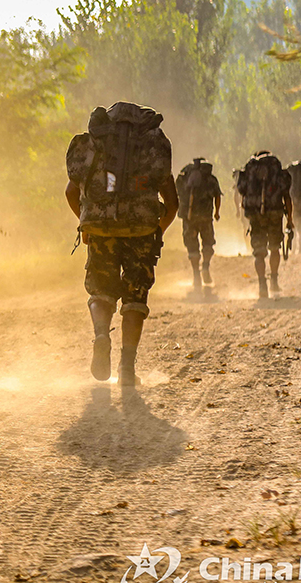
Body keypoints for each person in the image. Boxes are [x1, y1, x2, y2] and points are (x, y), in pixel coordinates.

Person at [66, 101, 178, 387]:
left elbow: (70, 191)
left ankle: (101, 335)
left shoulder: (98, 141)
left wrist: (86, 222)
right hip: (141, 228)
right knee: (134, 296)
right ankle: (127, 368)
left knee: (101, 290)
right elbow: (172, 202)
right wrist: (157, 232)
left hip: (100, 226)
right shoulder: (152, 143)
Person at [237, 151, 293, 299]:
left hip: (256, 215)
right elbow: (286, 196)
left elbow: (242, 194)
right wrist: (290, 219)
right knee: (275, 248)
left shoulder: (250, 172)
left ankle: (262, 285)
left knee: (259, 251)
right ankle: (273, 280)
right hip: (275, 213)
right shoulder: (276, 171)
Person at [175, 157, 222, 292]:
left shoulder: (184, 178)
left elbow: (177, 194)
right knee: (208, 243)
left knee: (192, 247)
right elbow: (217, 196)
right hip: (206, 217)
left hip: (189, 218)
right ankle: (206, 266)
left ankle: (196, 275)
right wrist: (217, 212)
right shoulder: (210, 179)